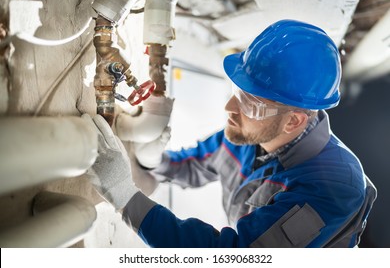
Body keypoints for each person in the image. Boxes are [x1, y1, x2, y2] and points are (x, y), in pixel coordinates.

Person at [83, 19, 377, 248]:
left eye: (250, 103)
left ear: (293, 121)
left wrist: (123, 194)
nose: (230, 107)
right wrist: (150, 157)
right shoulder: (248, 137)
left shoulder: (333, 187)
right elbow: (193, 164)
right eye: (238, 91)